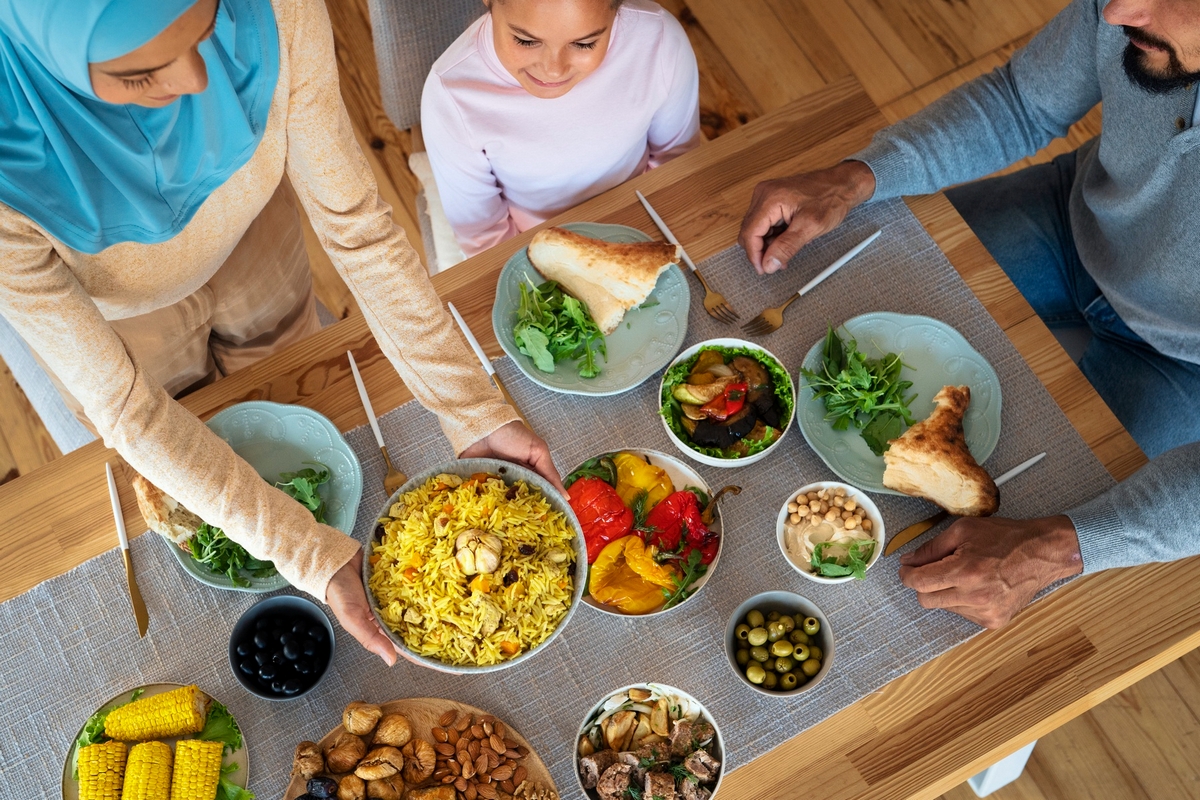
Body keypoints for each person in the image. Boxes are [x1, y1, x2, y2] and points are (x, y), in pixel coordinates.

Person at [0, 0, 560, 664]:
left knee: (297, 391)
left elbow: (360, 230)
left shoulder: (276, 8)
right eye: (141, 74)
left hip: (255, 229)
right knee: (181, 457)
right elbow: (128, 409)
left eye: (207, 29)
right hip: (122, 318)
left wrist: (471, 407)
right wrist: (301, 550)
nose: (199, 81)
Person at [738, 0, 1200, 629]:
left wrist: (1053, 549)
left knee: (1020, 532)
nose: (1117, 12)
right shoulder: (1130, 9)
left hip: (1180, 362)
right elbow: (1022, 101)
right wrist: (853, 179)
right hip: (1069, 218)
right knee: (846, 272)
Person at [421, 0, 701, 257]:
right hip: (532, 247)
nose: (553, 71)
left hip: (646, 217)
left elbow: (676, 161)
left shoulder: (659, 40)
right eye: (525, 40)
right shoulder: (451, 95)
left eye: (584, 44)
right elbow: (483, 234)